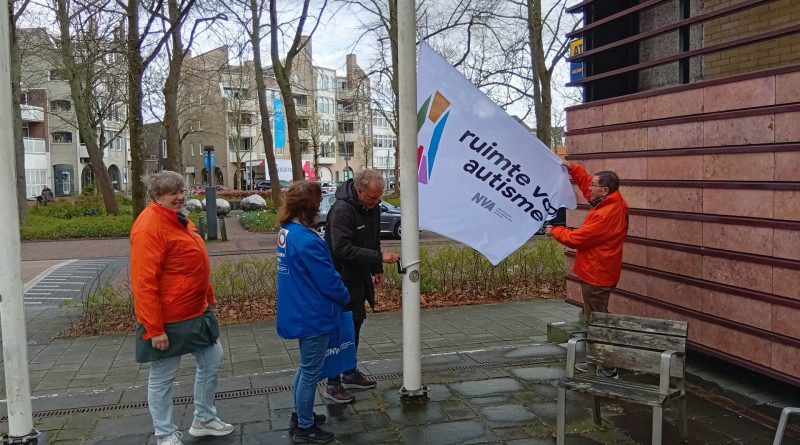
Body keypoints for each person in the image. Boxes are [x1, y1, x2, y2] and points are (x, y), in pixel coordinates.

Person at [131, 171, 233, 445]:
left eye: (181, 191)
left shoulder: (180, 219)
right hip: (168, 317)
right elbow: (144, 282)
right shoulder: (149, 227)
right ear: (157, 196)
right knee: (164, 375)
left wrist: (208, 296)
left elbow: (195, 262)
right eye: (172, 193)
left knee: (213, 360)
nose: (179, 197)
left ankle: (204, 419)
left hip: (196, 310)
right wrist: (154, 329)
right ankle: (164, 434)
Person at [276, 181, 350, 444]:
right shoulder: (307, 240)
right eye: (318, 205)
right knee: (310, 371)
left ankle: (301, 414)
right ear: (308, 207)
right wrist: (345, 296)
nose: (320, 210)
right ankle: (305, 428)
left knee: (305, 367)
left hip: (297, 308)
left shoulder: (287, 232)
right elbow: (328, 279)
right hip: (313, 313)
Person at [545, 162, 628, 379]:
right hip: (596, 271)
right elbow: (585, 183)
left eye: (594, 186)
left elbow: (577, 239)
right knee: (596, 317)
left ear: (604, 190)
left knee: (598, 320)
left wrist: (554, 230)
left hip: (597, 275)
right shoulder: (608, 201)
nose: (589, 189)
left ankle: (608, 367)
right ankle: (599, 362)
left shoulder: (606, 213)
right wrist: (573, 168)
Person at [323, 169, 400, 403]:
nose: (376, 202)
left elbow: (374, 238)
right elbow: (341, 249)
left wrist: (377, 268)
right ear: (359, 189)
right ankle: (333, 382)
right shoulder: (342, 211)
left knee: (355, 325)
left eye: (379, 197)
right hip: (341, 280)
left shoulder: (372, 208)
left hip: (359, 278)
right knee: (340, 331)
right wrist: (378, 258)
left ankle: (349, 371)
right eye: (372, 197)